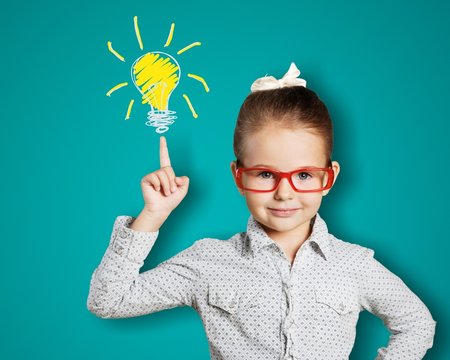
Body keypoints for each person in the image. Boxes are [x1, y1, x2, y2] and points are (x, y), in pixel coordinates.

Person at [87, 63, 436, 359]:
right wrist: (153, 216)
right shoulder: (208, 262)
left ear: (329, 178)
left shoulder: (354, 265)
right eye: (266, 174)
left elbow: (417, 324)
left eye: (303, 175)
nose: (284, 193)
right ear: (239, 176)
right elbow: (108, 301)